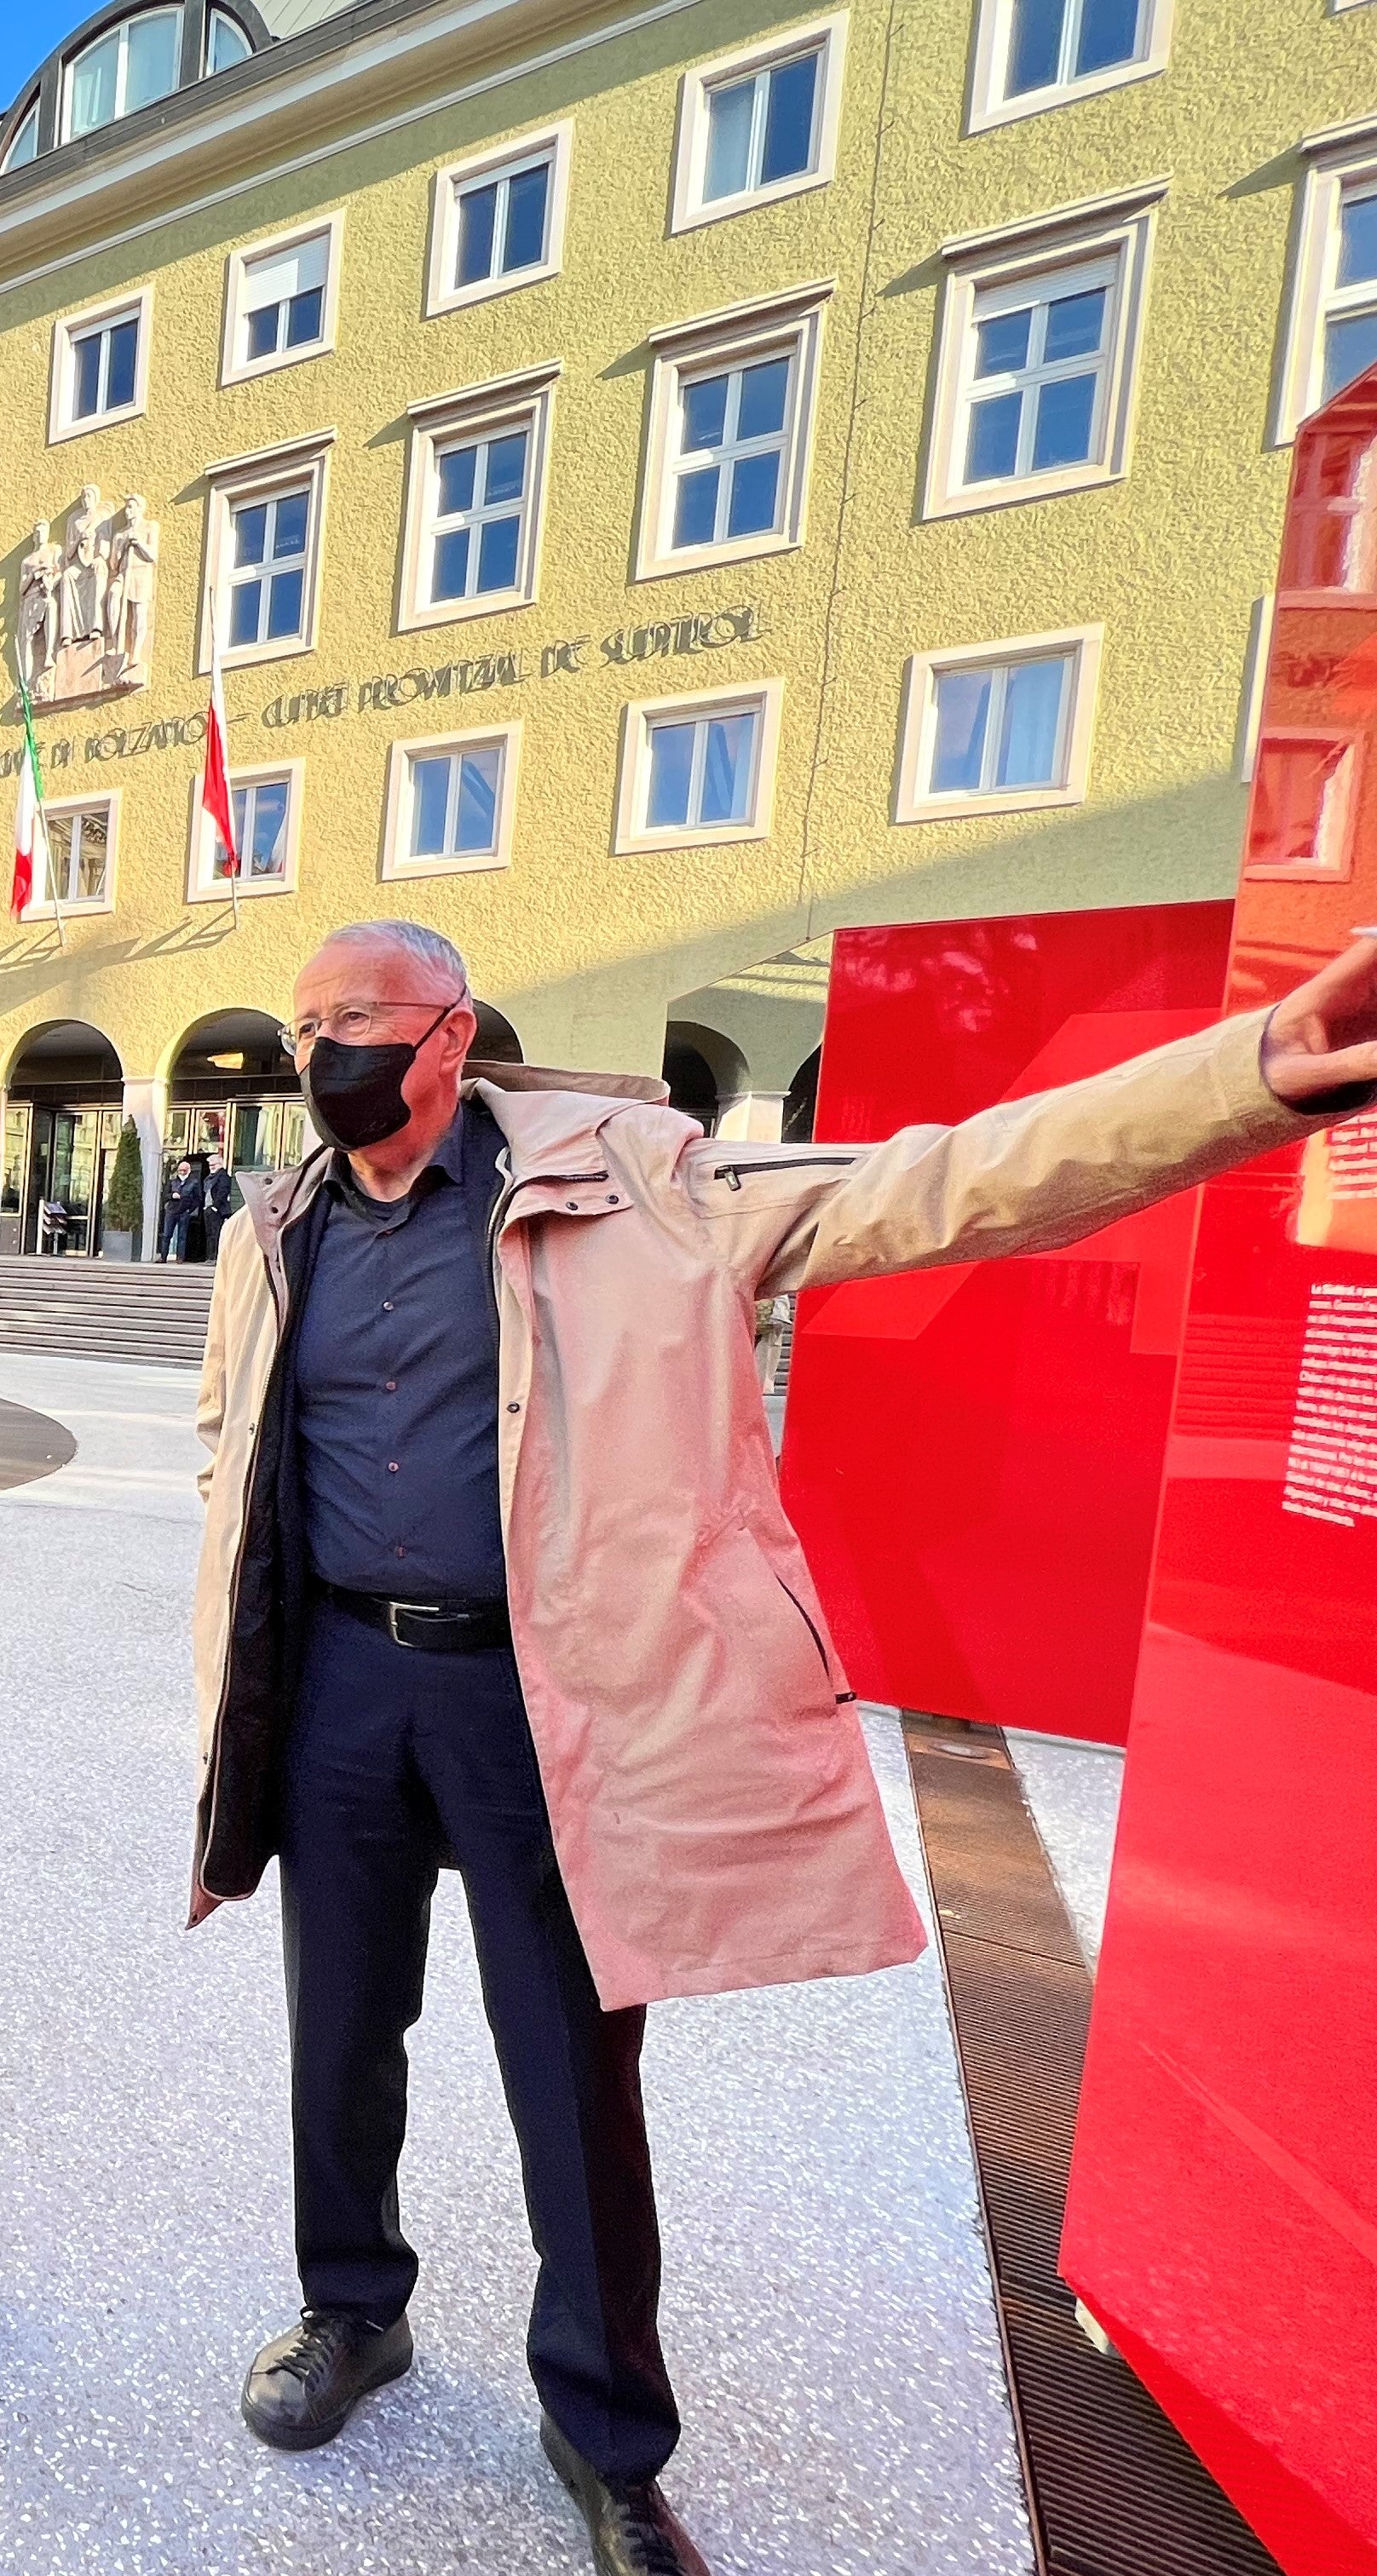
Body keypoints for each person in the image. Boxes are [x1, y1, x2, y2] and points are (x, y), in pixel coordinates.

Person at [188, 918, 1377, 2576]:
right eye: (307, 1021)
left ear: (453, 1034)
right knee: (340, 2040)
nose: (324, 1049)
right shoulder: (277, 1224)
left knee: (573, 2078)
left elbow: (949, 1179)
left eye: (358, 1017)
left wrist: (1251, 1075)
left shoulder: (641, 1180)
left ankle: (604, 2436)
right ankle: (350, 2312)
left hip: (552, 1706)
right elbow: (230, 1433)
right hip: (336, 1696)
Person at [160, 1158, 202, 1262]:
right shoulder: (172, 1182)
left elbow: (198, 1199)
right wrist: (172, 1196)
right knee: (166, 1235)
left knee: (182, 1236)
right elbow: (165, 1195)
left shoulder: (194, 1182)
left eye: (184, 1170)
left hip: (184, 1211)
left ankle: (180, 1257)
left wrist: (190, 1210)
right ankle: (163, 1257)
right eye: (180, 1170)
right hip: (171, 1210)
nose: (182, 1172)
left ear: (189, 1170)